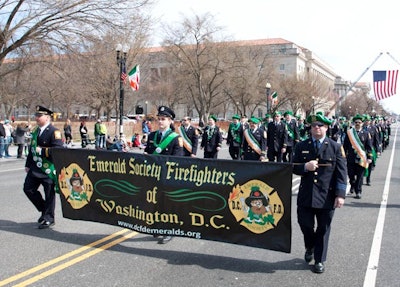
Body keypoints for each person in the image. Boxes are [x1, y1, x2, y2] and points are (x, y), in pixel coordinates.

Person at [292, 112, 347, 274]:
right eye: (314, 125)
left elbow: (341, 173)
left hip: (326, 196)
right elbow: (293, 166)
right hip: (306, 195)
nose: (316, 128)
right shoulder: (302, 146)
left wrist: (340, 195)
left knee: (323, 229)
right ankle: (310, 246)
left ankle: (319, 259)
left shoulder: (336, 147)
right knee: (305, 225)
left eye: (320, 125)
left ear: (327, 127)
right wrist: (304, 167)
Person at [144, 106, 183, 244]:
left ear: (170, 121)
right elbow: (148, 153)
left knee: (168, 204)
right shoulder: (151, 136)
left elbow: (178, 160)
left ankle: (169, 230)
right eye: (159, 119)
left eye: (163, 119)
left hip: (167, 176)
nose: (160, 121)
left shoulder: (175, 138)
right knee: (155, 202)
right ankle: (158, 227)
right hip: (154, 176)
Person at [23, 105, 64, 229]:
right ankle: (44, 210)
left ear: (47, 117)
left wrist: (42, 151)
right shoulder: (36, 131)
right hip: (35, 168)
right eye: (36, 116)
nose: (36, 118)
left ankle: (49, 218)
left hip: (48, 169)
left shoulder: (54, 132)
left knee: (49, 194)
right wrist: (28, 164)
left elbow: (58, 150)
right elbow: (32, 150)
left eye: (39, 116)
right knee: (28, 189)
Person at [343, 114, 373, 199]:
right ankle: (353, 185)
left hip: (362, 159)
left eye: (359, 122)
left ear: (362, 123)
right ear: (354, 123)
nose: (357, 124)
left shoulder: (366, 134)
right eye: (356, 122)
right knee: (351, 175)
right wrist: (343, 157)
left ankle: (358, 191)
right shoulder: (349, 133)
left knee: (360, 177)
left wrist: (370, 157)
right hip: (351, 159)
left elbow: (369, 147)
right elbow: (345, 146)